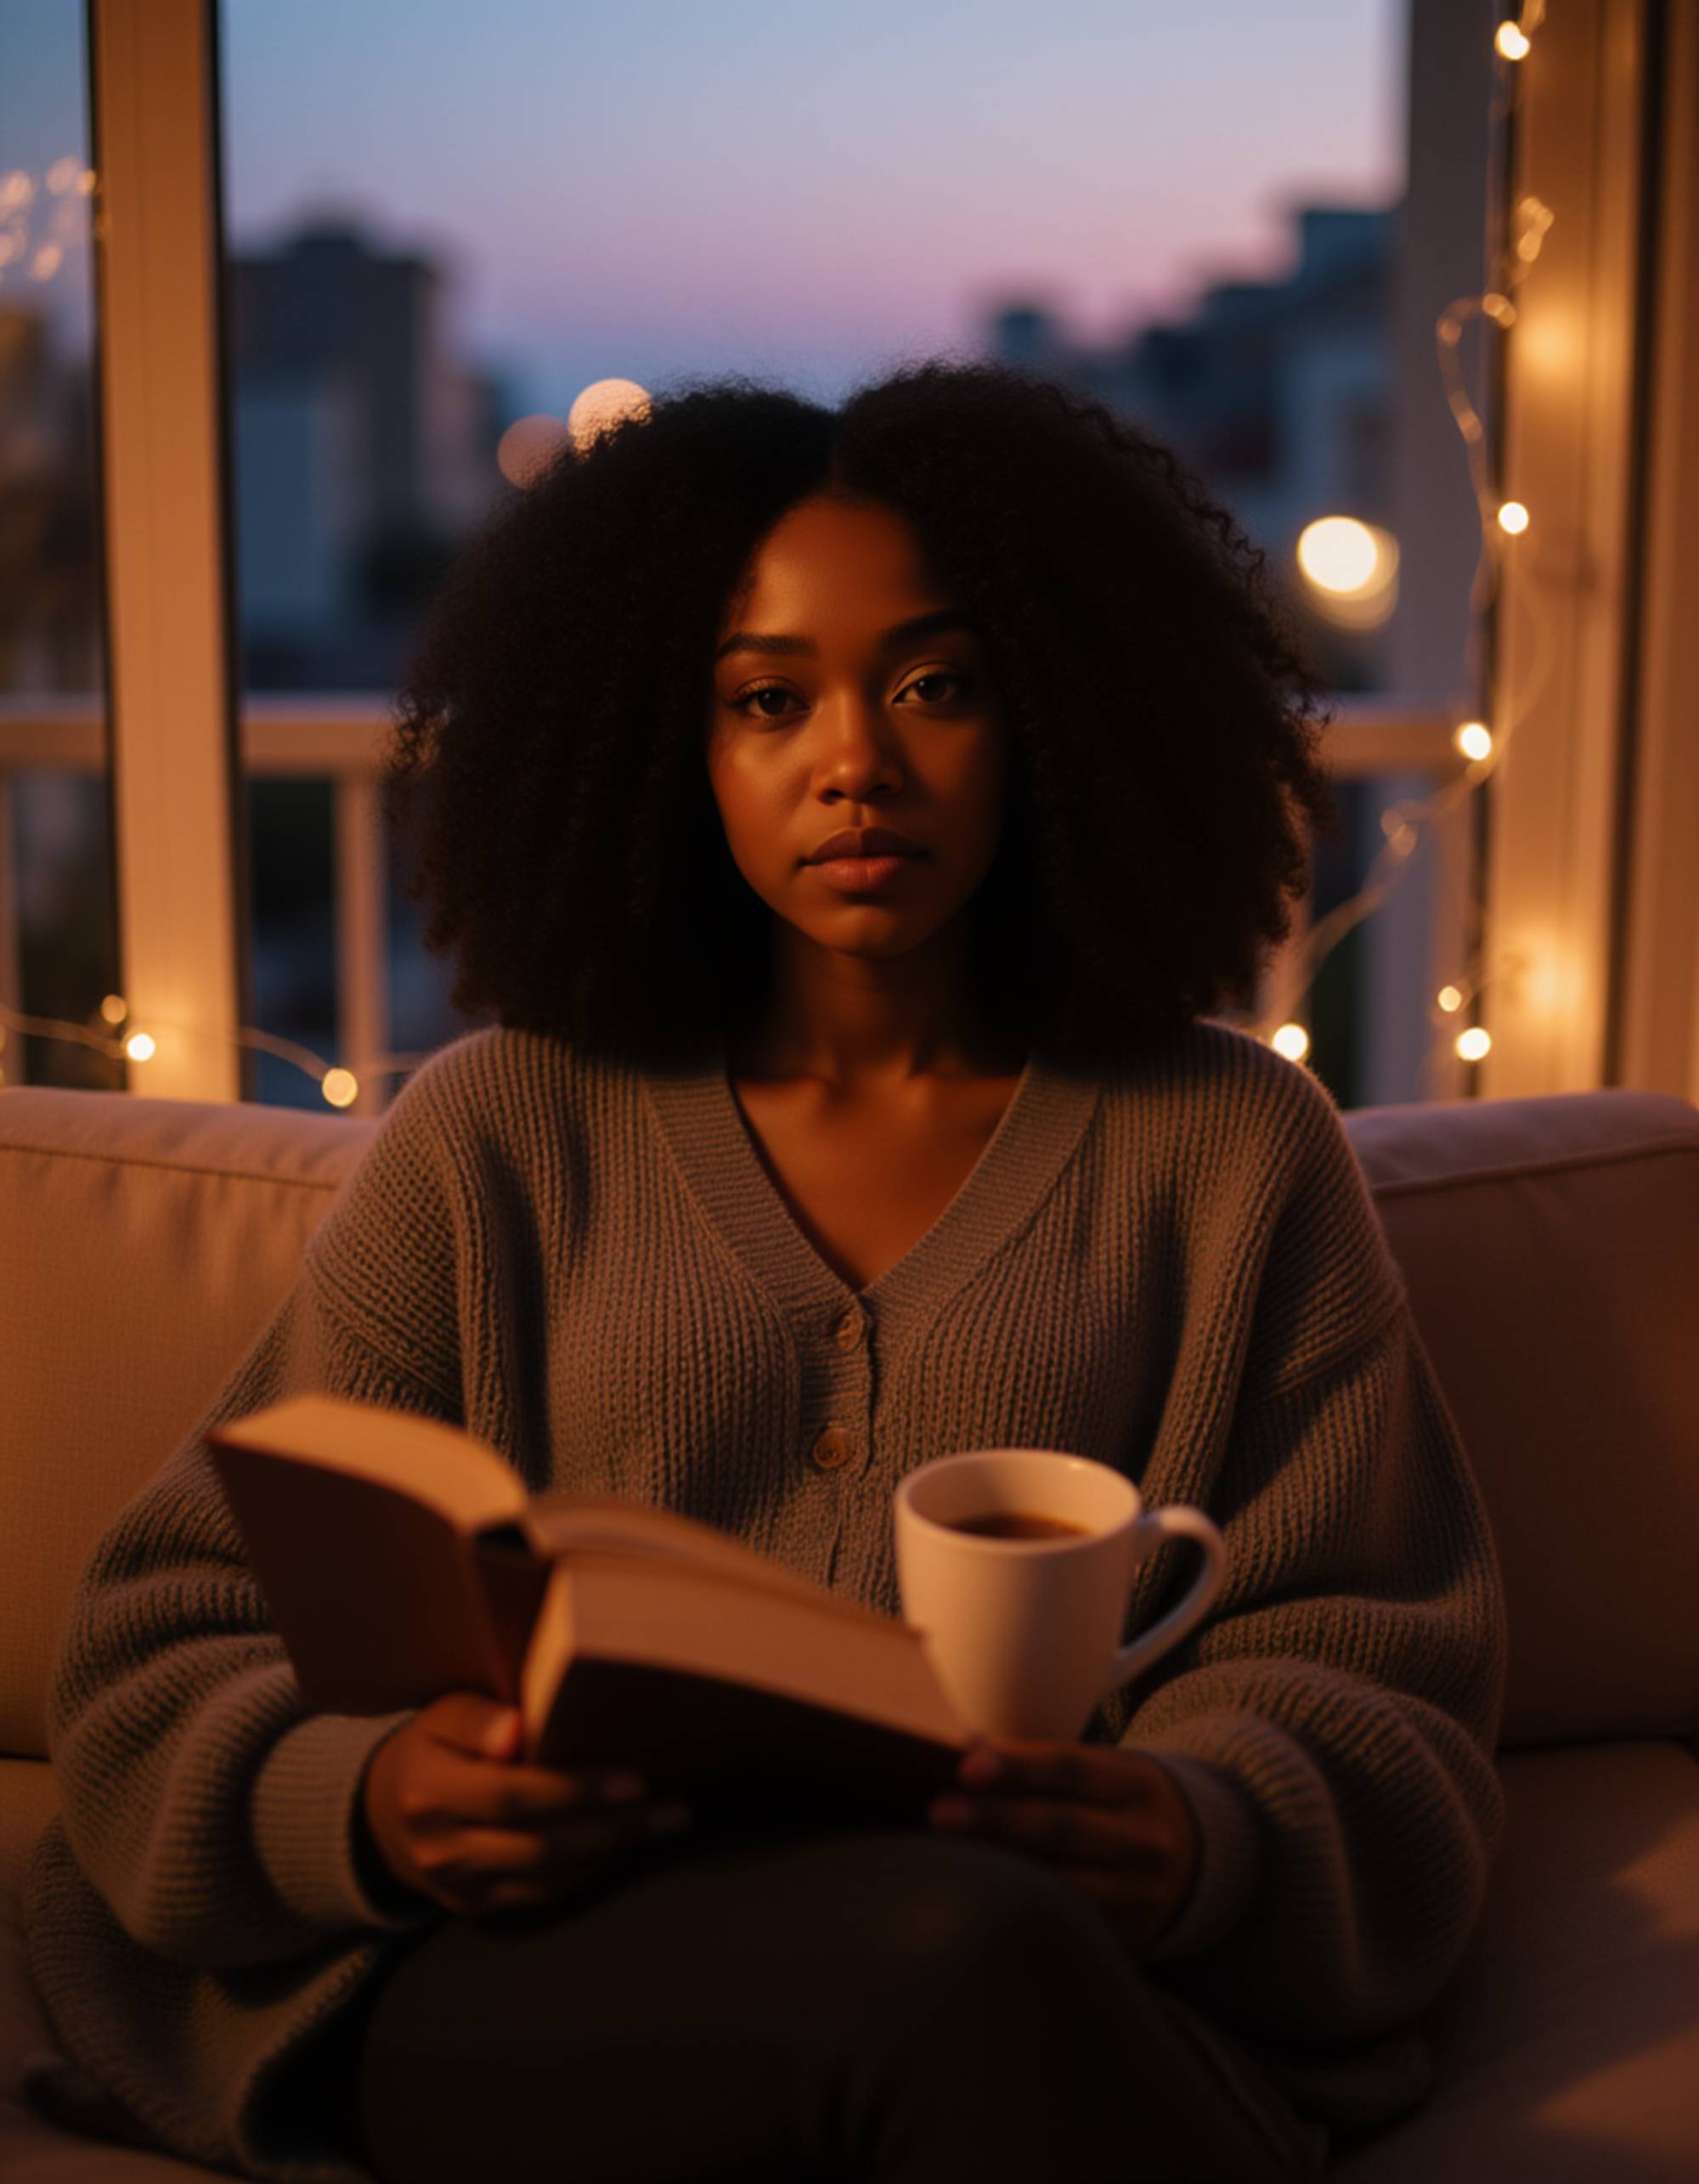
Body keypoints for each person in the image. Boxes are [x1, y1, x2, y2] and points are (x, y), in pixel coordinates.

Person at [22, 359, 1509, 2184]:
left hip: (1032, 1982)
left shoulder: (1227, 1151)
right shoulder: (500, 1132)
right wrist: (384, 1799)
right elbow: (160, 1636)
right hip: (523, 1986)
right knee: (947, 1966)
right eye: (764, 699)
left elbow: (1382, 1670)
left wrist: (1198, 1829)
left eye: (937, 684)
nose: (855, 762)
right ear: (664, 743)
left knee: (963, 1959)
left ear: (1057, 713)